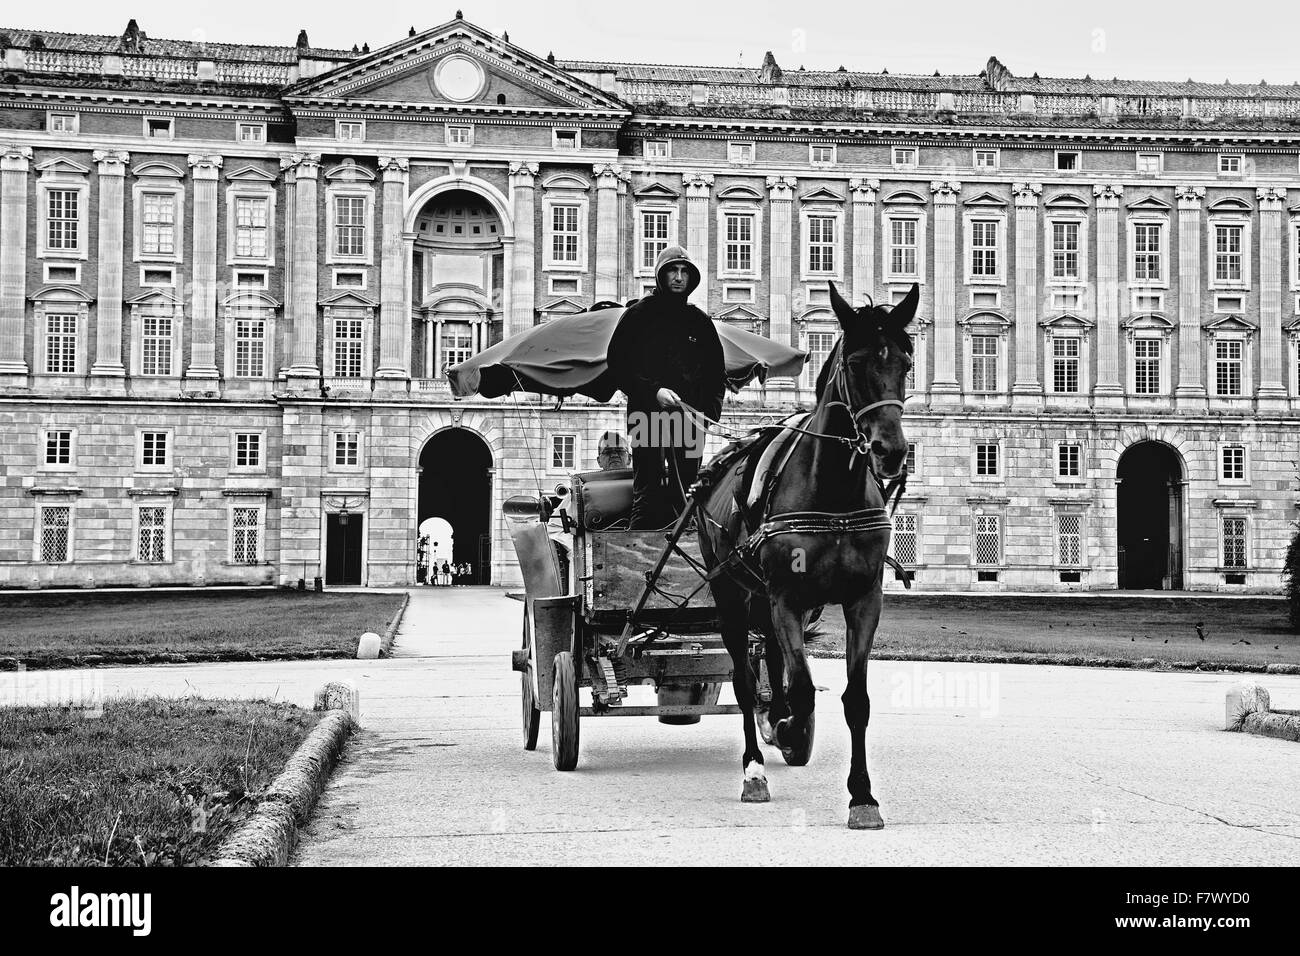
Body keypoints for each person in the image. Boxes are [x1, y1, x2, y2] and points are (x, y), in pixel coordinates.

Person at [606, 245, 726, 529]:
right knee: (647, 490)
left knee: (686, 491)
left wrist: (708, 413)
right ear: (661, 275)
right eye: (673, 270)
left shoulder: (700, 322)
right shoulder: (638, 315)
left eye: (685, 272)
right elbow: (618, 365)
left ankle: (685, 562)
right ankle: (636, 561)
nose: (679, 277)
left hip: (689, 418)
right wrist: (652, 392)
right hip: (647, 416)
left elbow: (715, 374)